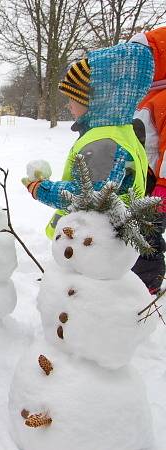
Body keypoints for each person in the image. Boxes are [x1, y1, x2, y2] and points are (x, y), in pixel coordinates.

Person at [23, 43, 153, 246]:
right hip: (105, 237)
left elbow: (90, 197)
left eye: (72, 99)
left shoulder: (104, 143)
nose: (69, 105)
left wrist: (41, 188)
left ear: (95, 101)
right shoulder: (117, 130)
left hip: (95, 242)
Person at [130, 26, 166, 294]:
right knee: (137, 230)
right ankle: (135, 276)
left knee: (148, 234)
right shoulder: (146, 97)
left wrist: (163, 185)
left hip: (158, 185)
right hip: (143, 181)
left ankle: (148, 283)